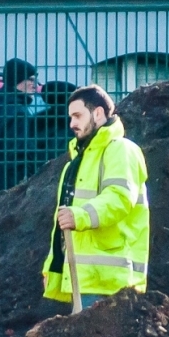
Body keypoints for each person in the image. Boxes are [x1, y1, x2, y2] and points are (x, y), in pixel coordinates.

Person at [41, 85, 150, 309]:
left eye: (78, 115)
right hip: (87, 279)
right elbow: (62, 220)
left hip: (110, 283)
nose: (72, 124)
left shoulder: (120, 150)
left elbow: (119, 199)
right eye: (71, 117)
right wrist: (52, 268)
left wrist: (81, 216)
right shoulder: (78, 161)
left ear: (98, 113)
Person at [0, 57, 42, 198]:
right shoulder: (18, 113)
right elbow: (20, 158)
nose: (35, 85)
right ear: (18, 80)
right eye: (31, 79)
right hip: (11, 193)